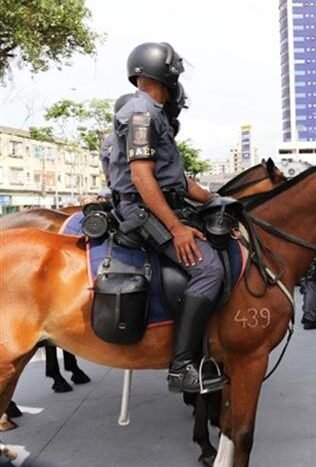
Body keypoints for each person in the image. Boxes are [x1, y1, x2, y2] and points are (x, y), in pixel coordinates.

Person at [110, 42, 226, 394]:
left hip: (154, 203)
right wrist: (177, 229)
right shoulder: (141, 112)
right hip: (140, 209)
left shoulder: (153, 113)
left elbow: (175, 180)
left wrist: (216, 198)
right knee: (208, 268)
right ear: (163, 72)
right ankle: (182, 366)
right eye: (174, 72)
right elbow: (144, 178)